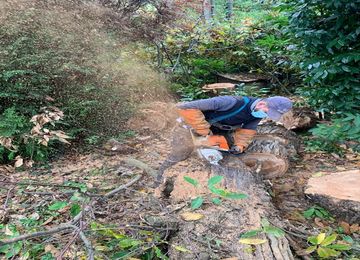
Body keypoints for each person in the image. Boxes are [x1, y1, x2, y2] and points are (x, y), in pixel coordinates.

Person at [154, 83, 293, 186]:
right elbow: (186, 107)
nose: (265, 116)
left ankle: (216, 181)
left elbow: (247, 131)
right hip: (190, 126)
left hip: (217, 130)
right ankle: (158, 179)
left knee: (227, 155)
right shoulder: (231, 102)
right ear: (263, 104)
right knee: (179, 153)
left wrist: (239, 145)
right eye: (267, 112)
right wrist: (203, 131)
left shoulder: (256, 115)